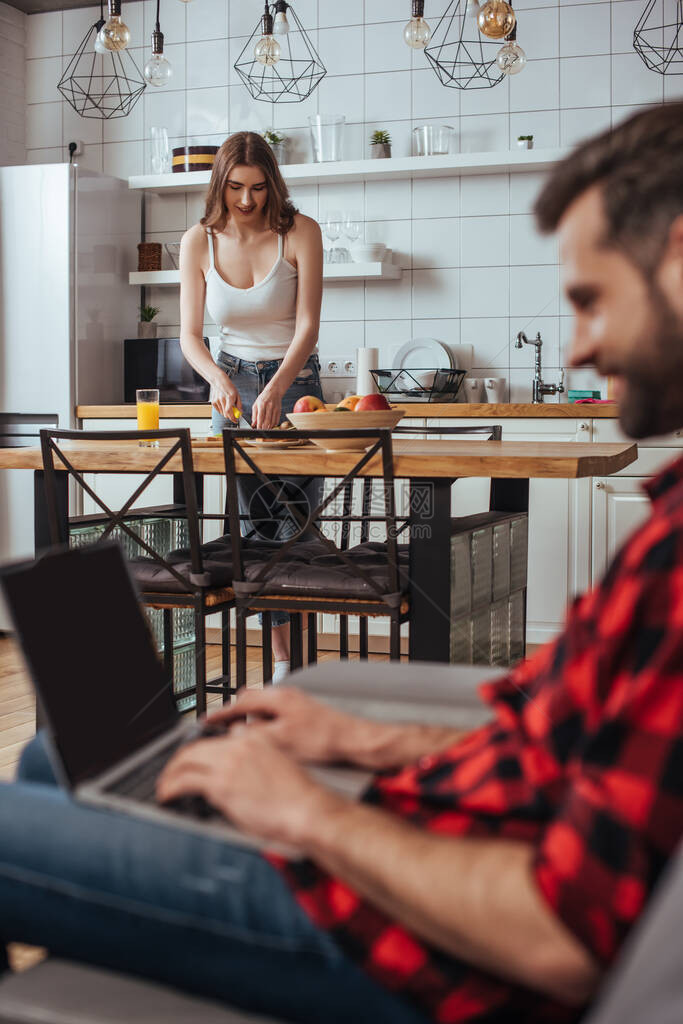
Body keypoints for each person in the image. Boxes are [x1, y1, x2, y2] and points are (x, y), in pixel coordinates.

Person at [2, 101, 683, 1024]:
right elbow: (555, 740)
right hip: (444, 826)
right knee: (57, 760)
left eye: (588, 300)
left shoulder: (671, 565)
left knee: (37, 798)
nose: (577, 350)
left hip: (404, 938)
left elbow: (560, 934)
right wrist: (366, 741)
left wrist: (311, 812)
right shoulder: (664, 529)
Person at [179, 131, 325, 682]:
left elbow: (307, 325)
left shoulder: (299, 232)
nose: (246, 200)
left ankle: (297, 661)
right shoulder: (199, 240)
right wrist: (217, 377)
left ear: (272, 184)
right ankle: (283, 663)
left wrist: (277, 387)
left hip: (295, 385)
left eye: (258, 188)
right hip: (232, 385)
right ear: (221, 183)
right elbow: (190, 335)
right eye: (236, 187)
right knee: (252, 525)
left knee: (294, 524)